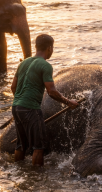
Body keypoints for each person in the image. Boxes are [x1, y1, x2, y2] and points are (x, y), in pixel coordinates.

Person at [10, 34, 78, 166]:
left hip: (16, 107)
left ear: (36, 47)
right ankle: (36, 179)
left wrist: (21, 101)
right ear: (49, 48)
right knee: (38, 147)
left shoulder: (23, 63)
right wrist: (69, 102)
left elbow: (13, 87)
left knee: (20, 145)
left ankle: (17, 171)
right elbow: (51, 91)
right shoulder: (45, 66)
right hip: (31, 109)